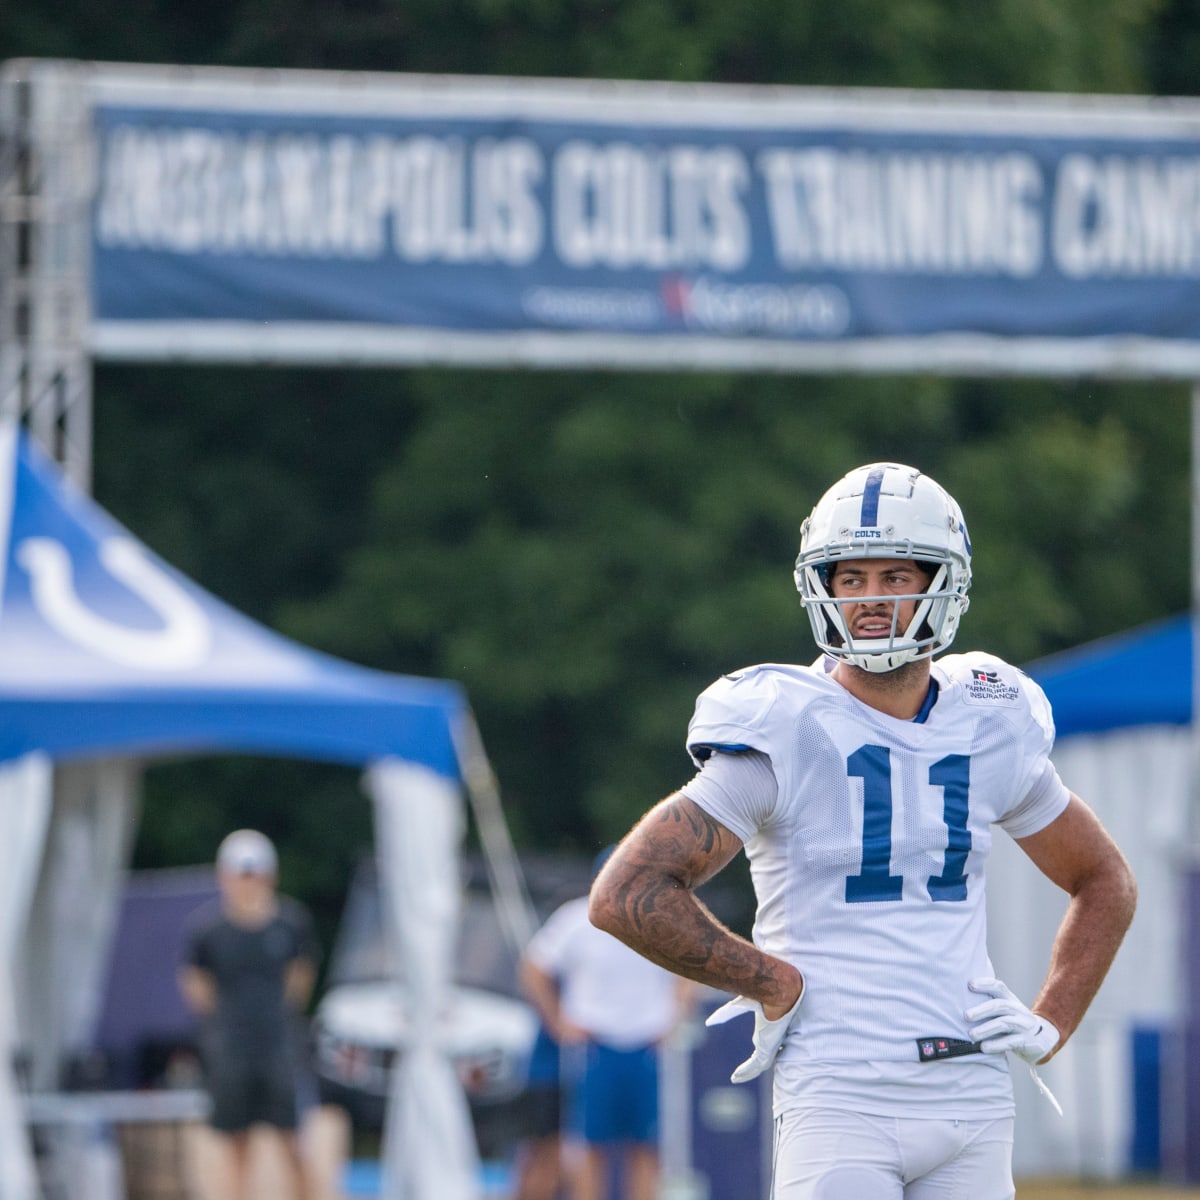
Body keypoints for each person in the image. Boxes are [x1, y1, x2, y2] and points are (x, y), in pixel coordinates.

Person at [589, 462, 1137, 1200]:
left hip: (971, 1090)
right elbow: (626, 892)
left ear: (943, 583)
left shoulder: (988, 717)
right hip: (841, 1090)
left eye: (894, 576)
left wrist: (1054, 1019)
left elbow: (1105, 880)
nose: (871, 599)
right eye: (850, 578)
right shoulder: (784, 725)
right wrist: (770, 979)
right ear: (821, 586)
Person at [520, 848, 689, 1200]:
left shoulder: (661, 920)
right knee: (588, 1145)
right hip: (594, 1046)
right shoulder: (576, 920)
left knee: (646, 1146)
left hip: (647, 1045)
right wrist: (558, 1023)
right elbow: (534, 968)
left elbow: (692, 970)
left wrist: (673, 1017)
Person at [179, 828, 320, 1200]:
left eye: (254, 874)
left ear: (269, 876)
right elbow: (196, 986)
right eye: (240, 875)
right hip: (232, 1051)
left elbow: (300, 979)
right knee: (234, 1145)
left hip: (277, 1048)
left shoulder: (290, 923)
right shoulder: (208, 931)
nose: (247, 884)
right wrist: (229, 1021)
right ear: (224, 877)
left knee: (292, 1142)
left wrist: (273, 1016)